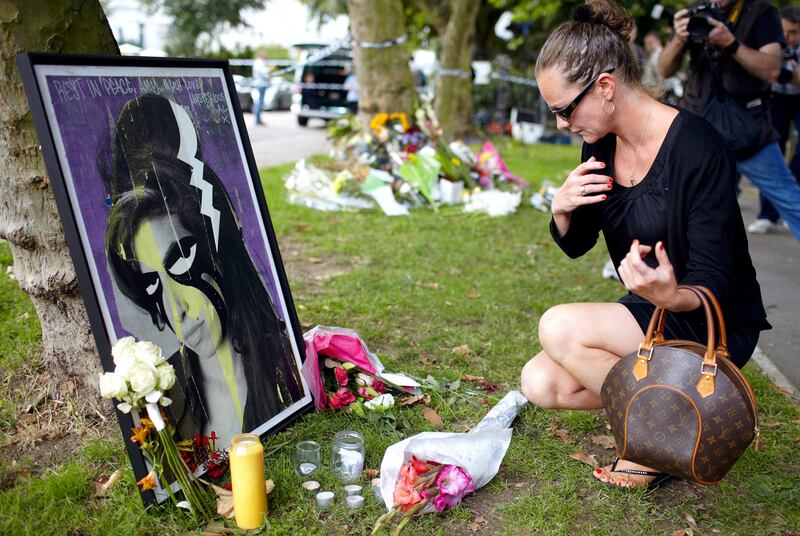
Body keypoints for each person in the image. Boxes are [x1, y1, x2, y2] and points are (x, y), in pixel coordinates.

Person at [520, 0, 770, 490]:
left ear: (606, 87)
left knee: (558, 327)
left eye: (564, 110)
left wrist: (670, 295)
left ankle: (650, 445)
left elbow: (716, 277)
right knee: (540, 382)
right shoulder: (601, 140)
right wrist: (562, 211)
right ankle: (676, 418)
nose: (561, 125)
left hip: (708, 316)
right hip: (652, 308)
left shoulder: (698, 147)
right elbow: (580, 244)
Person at [105, 94, 304, 445]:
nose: (176, 308)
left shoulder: (286, 369)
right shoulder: (163, 398)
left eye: (180, 260)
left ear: (217, 250)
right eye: (153, 285)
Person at [659, 0, 800, 241]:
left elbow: (772, 70)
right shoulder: (695, 12)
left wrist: (730, 43)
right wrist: (679, 39)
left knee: (791, 200)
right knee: (667, 199)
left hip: (747, 130)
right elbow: (664, 69)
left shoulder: (762, 11)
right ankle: (639, 261)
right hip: (698, 128)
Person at [749, 6, 800, 234]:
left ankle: (789, 191)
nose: (788, 38)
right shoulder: (766, 38)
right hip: (773, 100)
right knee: (771, 148)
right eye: (785, 31)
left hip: (797, 99)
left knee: (784, 170)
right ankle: (768, 215)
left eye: (794, 33)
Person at [251, 50, 270, 125]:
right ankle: (257, 119)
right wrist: (269, 71)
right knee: (259, 102)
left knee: (259, 101)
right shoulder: (259, 63)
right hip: (261, 84)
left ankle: (258, 119)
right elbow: (264, 73)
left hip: (260, 84)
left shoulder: (259, 62)